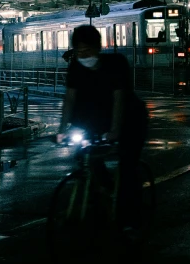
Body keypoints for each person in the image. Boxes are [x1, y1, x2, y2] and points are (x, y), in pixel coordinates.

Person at [58, 25, 147, 231]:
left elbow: (119, 99)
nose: (83, 56)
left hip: (131, 119)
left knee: (127, 167)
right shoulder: (76, 68)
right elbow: (70, 99)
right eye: (79, 51)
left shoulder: (116, 64)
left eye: (87, 51)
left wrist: (115, 130)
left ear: (98, 48)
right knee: (86, 158)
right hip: (98, 119)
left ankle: (131, 220)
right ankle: (103, 191)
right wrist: (62, 130)